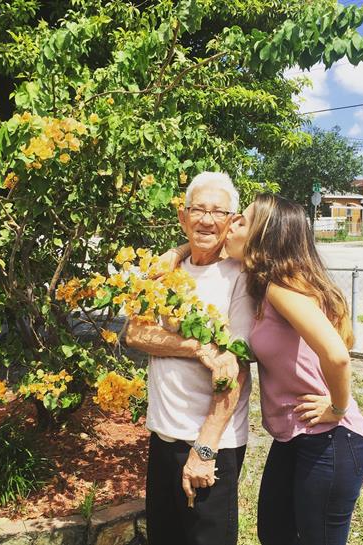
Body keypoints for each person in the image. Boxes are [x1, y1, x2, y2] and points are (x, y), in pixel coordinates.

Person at [167, 193, 363, 545]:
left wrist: (337, 407)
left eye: (242, 220)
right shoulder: (262, 283)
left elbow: (337, 355)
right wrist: (177, 252)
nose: (230, 224)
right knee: (274, 534)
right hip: (293, 437)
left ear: (264, 236)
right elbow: (202, 245)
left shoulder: (281, 288)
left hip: (332, 440)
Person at [125, 172, 256, 545]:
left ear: (231, 222)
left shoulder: (240, 278)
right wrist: (197, 347)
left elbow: (236, 369)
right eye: (198, 209)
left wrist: (204, 449)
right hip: (163, 434)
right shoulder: (165, 272)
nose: (206, 219)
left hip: (212, 443)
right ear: (182, 217)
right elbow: (135, 333)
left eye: (218, 212)